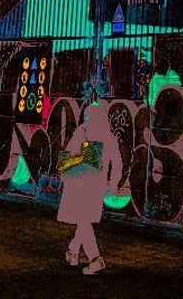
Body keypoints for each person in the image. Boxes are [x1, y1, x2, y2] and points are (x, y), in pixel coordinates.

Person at [58, 103, 118, 275]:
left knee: (83, 220)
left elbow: (69, 156)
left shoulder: (83, 132)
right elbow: (118, 162)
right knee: (84, 220)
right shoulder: (109, 136)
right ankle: (73, 252)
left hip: (82, 184)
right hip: (98, 187)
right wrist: (112, 183)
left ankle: (95, 259)